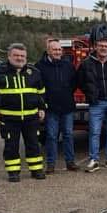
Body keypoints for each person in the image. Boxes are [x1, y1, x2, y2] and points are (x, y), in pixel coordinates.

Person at [0, 43, 46, 182]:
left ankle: (36, 170)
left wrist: (42, 108)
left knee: (33, 144)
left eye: (22, 56)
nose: (19, 58)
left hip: (31, 117)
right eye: (16, 55)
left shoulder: (34, 72)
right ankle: (13, 172)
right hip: (9, 118)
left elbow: (41, 92)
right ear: (9, 56)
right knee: (11, 146)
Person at [76, 37, 107, 172]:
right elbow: (80, 81)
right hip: (96, 103)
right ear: (95, 47)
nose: (103, 48)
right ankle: (94, 160)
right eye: (100, 46)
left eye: (106, 46)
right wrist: (89, 93)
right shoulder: (87, 63)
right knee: (95, 132)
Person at [36, 39, 78, 173]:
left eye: (59, 50)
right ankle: (51, 164)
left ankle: (70, 162)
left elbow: (73, 84)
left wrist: (65, 95)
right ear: (48, 51)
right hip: (50, 108)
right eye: (54, 49)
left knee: (68, 135)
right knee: (52, 136)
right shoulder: (39, 66)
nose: (58, 52)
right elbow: (37, 87)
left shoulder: (68, 65)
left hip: (67, 107)